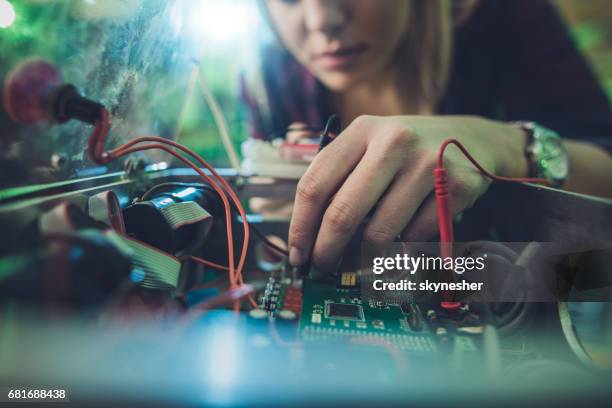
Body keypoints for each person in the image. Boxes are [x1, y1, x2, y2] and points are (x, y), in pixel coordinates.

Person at [241, 0, 612, 271]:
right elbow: (273, 243)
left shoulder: (507, 15)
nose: (323, 20)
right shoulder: (272, 74)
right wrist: (279, 233)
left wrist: (505, 144)